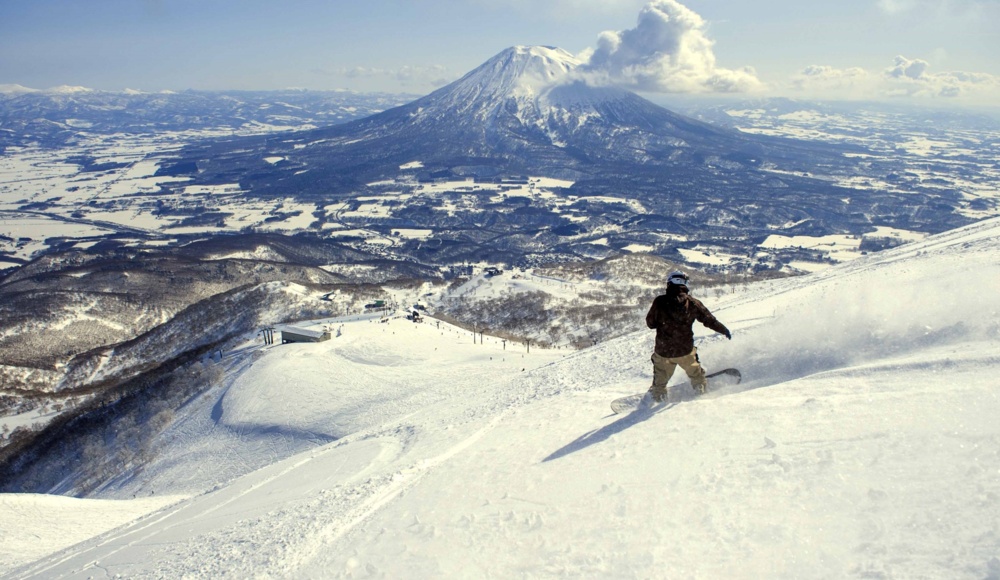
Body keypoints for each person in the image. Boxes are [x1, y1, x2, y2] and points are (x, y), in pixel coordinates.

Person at [645, 270, 731, 402]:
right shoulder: (693, 303)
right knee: (697, 376)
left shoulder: (660, 302)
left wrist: (663, 322)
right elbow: (709, 320)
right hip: (685, 350)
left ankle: (658, 400)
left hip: (664, 352)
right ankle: (701, 395)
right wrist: (723, 330)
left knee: (660, 383)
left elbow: (650, 323)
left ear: (669, 283)